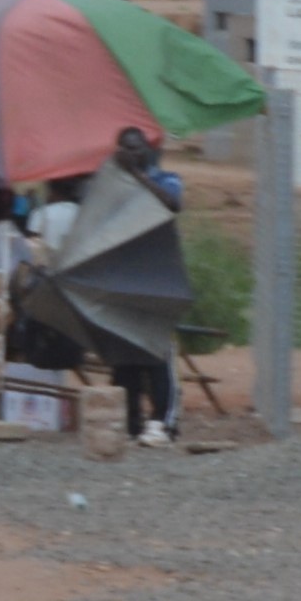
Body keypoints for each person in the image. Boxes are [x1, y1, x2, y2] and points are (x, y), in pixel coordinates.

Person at [102, 127, 187, 447]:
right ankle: (131, 424)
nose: (132, 153)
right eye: (125, 148)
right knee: (125, 357)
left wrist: (136, 175)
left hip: (157, 281)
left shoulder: (167, 180)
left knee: (157, 354)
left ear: (148, 150)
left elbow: (171, 204)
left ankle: (163, 422)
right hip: (123, 280)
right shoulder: (111, 189)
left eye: (136, 148)